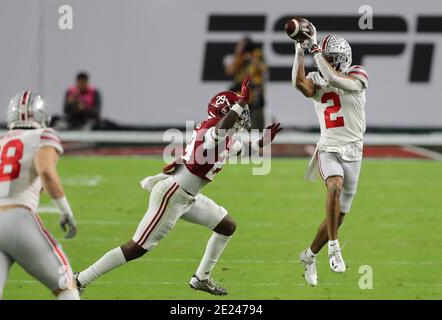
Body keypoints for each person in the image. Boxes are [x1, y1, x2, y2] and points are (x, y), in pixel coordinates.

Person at [74, 77, 282, 296]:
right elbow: (220, 132)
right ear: (225, 113)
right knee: (137, 247)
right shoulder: (213, 130)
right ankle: (80, 279)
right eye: (239, 112)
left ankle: (201, 277)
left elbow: (243, 149)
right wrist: (239, 104)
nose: (243, 116)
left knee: (226, 226)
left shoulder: (226, 136)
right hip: (172, 195)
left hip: (188, 196)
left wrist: (263, 141)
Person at [291, 25, 368, 286]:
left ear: (344, 58)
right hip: (328, 149)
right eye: (328, 57)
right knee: (334, 186)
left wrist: (314, 49)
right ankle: (334, 247)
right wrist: (299, 52)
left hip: (354, 152)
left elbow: (334, 79)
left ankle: (309, 256)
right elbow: (299, 84)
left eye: (334, 58)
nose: (331, 62)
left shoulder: (358, 74)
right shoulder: (318, 74)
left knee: (339, 215)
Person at [0, 91, 79, 300]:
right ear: (41, 116)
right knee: (67, 286)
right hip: (18, 219)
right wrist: (66, 211)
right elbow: (46, 170)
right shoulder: (43, 135)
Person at [225, 37, 267, 130]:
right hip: (240, 90)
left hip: (254, 90)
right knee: (238, 119)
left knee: (256, 119)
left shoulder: (257, 54)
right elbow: (230, 71)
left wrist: (251, 58)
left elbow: (264, 68)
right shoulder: (239, 56)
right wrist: (239, 55)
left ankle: (258, 137)